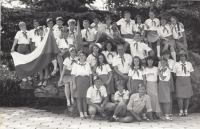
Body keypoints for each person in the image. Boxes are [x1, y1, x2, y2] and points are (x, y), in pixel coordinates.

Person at [71, 51, 93, 119]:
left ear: (85, 56)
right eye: (80, 55)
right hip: (79, 81)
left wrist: (91, 83)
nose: (81, 57)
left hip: (86, 81)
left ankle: (85, 112)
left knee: (85, 98)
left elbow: (90, 74)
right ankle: (81, 113)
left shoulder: (87, 64)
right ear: (78, 57)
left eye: (83, 55)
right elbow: (73, 75)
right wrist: (74, 84)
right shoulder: (75, 65)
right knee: (79, 98)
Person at [173, 50, 194, 117]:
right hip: (179, 80)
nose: (182, 57)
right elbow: (174, 73)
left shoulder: (189, 64)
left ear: (185, 57)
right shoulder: (176, 64)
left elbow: (191, 73)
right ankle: (181, 111)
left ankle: (185, 111)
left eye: (183, 56)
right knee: (179, 97)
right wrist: (178, 78)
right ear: (179, 57)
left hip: (187, 80)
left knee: (187, 97)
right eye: (181, 56)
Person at [158, 50, 175, 115]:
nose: (166, 55)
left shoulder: (172, 61)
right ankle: (164, 111)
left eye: (167, 54)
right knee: (164, 94)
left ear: (169, 54)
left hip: (169, 77)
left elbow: (172, 70)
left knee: (169, 94)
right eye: (165, 54)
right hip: (162, 78)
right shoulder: (160, 62)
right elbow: (159, 70)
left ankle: (170, 110)